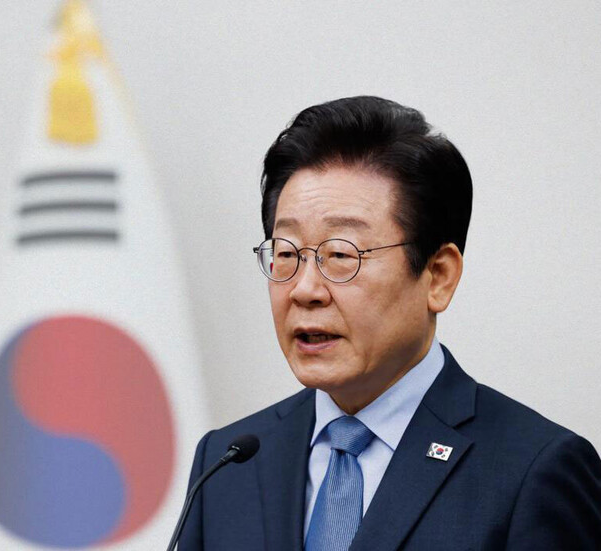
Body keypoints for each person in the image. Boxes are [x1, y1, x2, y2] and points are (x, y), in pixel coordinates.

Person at [179, 96, 601, 550]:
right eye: (286, 253)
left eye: (341, 254)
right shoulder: (227, 463)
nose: (304, 289)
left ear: (438, 276)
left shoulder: (532, 471)